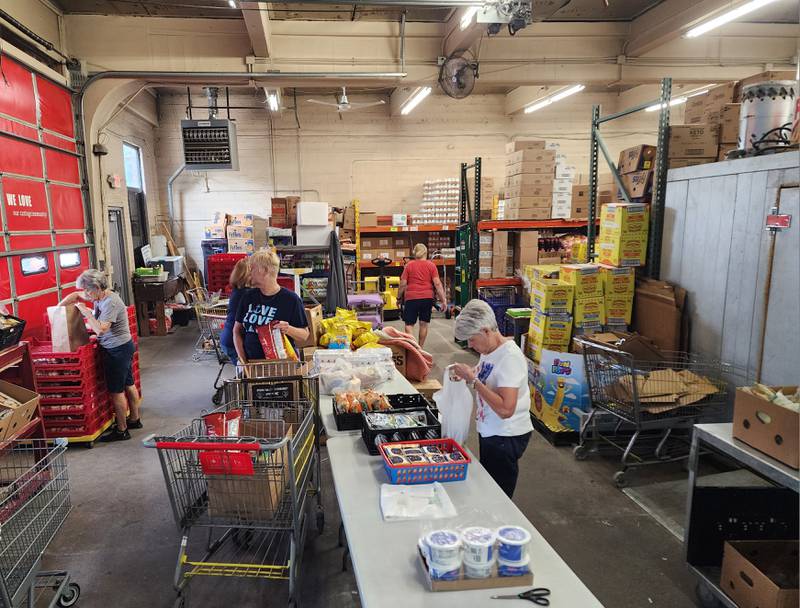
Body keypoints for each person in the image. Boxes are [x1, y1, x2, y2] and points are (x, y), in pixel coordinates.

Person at [450, 299, 533, 498]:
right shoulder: (489, 350)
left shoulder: (509, 358)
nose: (470, 345)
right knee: (489, 487)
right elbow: (486, 375)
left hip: (505, 435)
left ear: (486, 331)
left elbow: (506, 409)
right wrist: (470, 373)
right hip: (491, 431)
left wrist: (473, 380)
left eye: (472, 339)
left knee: (499, 495)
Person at [59, 269, 142, 442]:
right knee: (129, 383)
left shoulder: (110, 303)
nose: (86, 295)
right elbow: (76, 294)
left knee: (116, 391)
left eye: (88, 291)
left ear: (96, 287)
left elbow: (101, 329)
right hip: (123, 346)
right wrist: (57, 310)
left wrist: (86, 313)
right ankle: (134, 419)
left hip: (117, 350)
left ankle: (122, 430)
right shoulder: (99, 296)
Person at [233, 249, 309, 364]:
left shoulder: (291, 300)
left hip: (281, 366)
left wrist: (288, 329)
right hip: (250, 365)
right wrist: (243, 361)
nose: (249, 273)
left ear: (264, 271)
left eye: (252, 268)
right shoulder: (247, 297)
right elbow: (236, 331)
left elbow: (305, 335)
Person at [398, 243, 447, 348]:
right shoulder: (431, 265)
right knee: (423, 324)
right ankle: (420, 348)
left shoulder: (409, 265)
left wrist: (398, 298)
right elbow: (437, 284)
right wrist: (443, 300)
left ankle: (413, 347)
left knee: (409, 325)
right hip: (427, 298)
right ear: (426, 253)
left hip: (411, 298)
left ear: (414, 253)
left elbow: (402, 284)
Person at [219, 258, 250, 366]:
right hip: (233, 341)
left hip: (227, 337)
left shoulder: (237, 291)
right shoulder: (246, 294)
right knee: (244, 373)